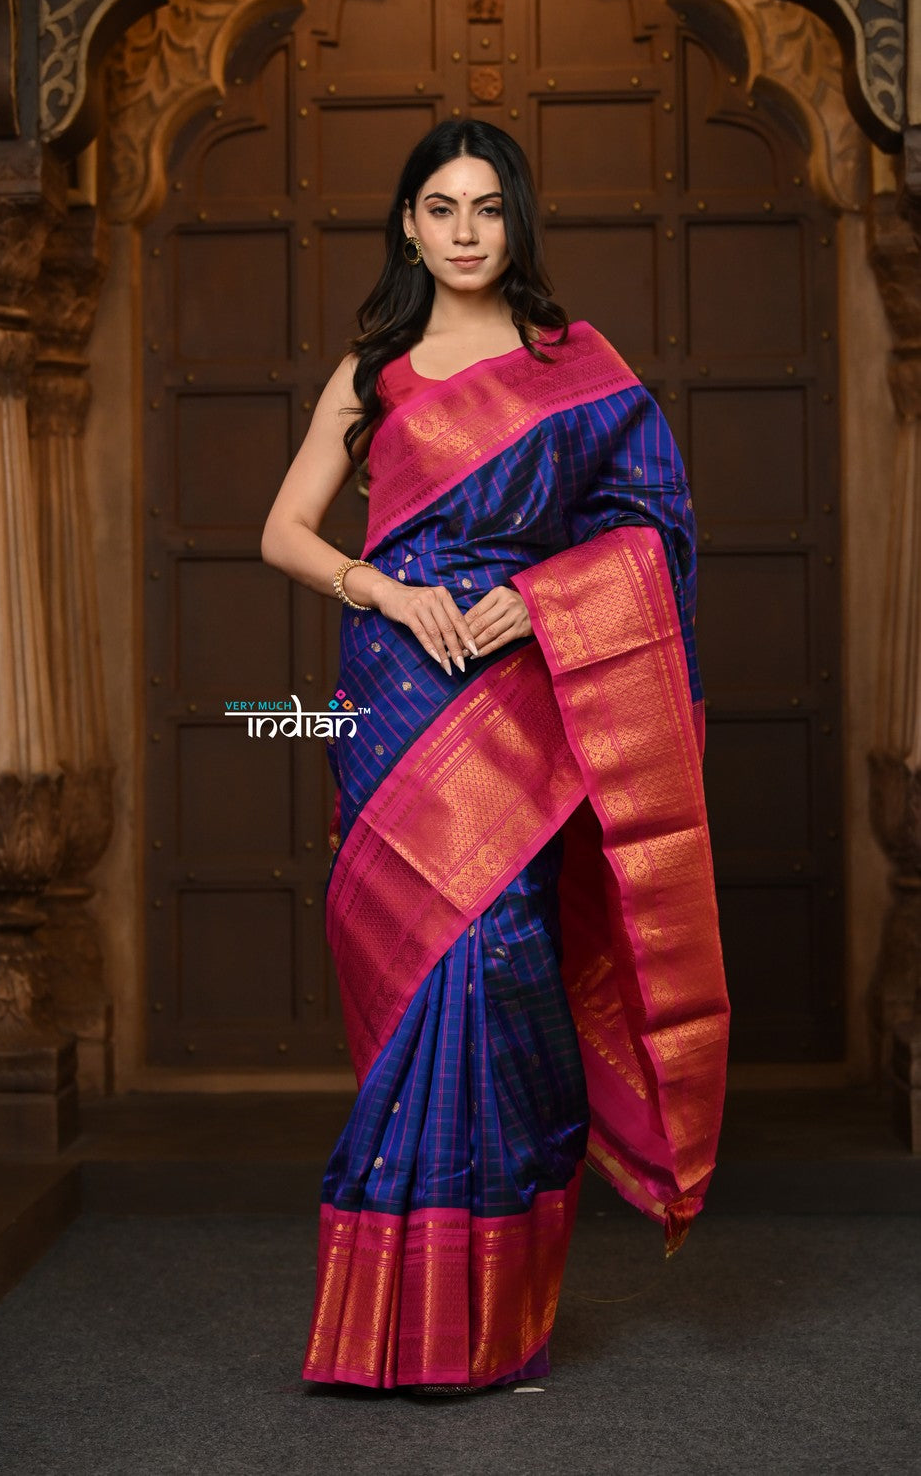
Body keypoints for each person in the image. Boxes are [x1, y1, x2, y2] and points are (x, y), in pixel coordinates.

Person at [260, 118, 730, 1397]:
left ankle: (489, 1326)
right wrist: (383, 591)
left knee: (503, 962)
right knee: (423, 970)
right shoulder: (374, 373)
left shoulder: (575, 367)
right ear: (408, 228)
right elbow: (284, 532)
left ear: (514, 223)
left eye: (485, 208)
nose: (464, 231)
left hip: (521, 692)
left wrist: (537, 599)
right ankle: (389, 1331)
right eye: (440, 208)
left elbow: (653, 531)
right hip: (395, 690)